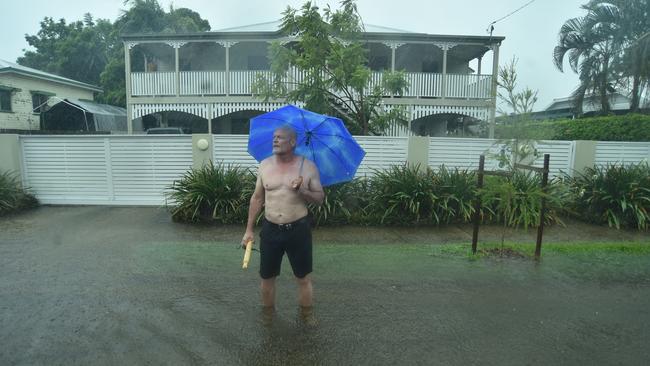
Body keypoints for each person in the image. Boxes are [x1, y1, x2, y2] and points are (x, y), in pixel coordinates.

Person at [242, 125, 324, 322]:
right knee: (267, 277)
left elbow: (320, 198)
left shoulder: (308, 166)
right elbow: (257, 199)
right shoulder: (264, 165)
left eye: (280, 137)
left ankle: (306, 315)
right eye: (274, 137)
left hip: (298, 229)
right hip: (270, 229)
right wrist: (249, 230)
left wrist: (303, 191)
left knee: (303, 278)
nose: (275, 140)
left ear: (293, 142)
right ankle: (268, 316)